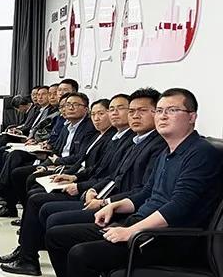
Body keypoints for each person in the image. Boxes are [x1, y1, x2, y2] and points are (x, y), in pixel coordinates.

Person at [44, 88, 222, 277]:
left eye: (172, 110)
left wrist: (130, 231)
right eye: (160, 110)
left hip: (169, 239)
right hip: (143, 228)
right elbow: (147, 193)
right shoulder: (168, 151)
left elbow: (180, 207)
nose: (163, 116)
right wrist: (113, 206)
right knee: (57, 236)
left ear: (192, 117)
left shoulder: (201, 153)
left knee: (81, 254)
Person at [0, 98, 117, 276]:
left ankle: (28, 257)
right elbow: (83, 162)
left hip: (94, 193)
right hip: (82, 180)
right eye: (95, 114)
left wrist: (78, 183)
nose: (97, 118)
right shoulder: (101, 135)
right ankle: (25, 249)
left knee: (36, 197)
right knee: (33, 189)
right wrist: (68, 174)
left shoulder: (109, 137)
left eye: (102, 113)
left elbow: (103, 173)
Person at [40, 88, 166, 230]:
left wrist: (103, 201)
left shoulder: (155, 144)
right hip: (106, 196)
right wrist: (92, 189)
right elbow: (113, 175)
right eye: (132, 111)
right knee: (45, 207)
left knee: (54, 220)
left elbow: (143, 190)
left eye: (142, 110)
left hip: (124, 208)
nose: (135, 116)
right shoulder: (136, 141)